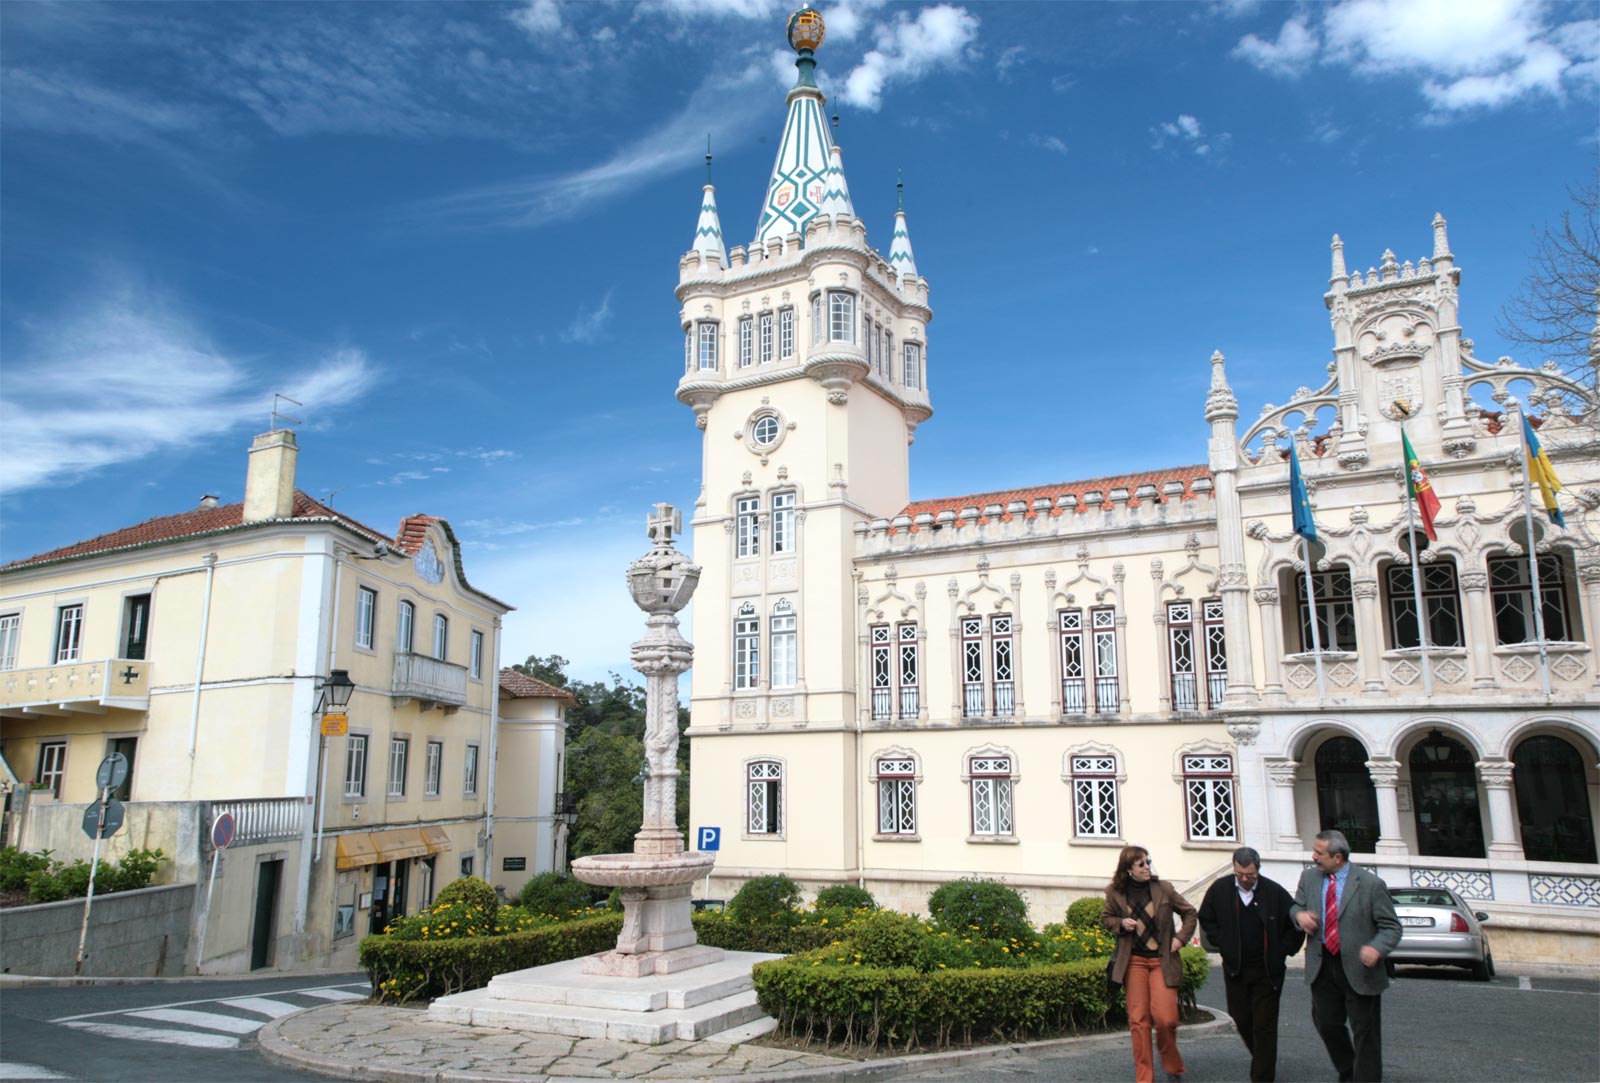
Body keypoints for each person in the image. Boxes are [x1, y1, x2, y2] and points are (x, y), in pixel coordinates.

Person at [1290, 829, 1402, 1083]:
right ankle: (1349, 1070)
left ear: (1337, 857)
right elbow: (1296, 905)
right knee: (1327, 1024)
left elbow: (1391, 927)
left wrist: (1376, 947)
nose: (1314, 856)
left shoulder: (1370, 884)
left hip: (1360, 968)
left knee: (1366, 1032)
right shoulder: (1309, 878)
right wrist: (1299, 916)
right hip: (1323, 964)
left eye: (1319, 853)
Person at [1198, 846, 1305, 1082]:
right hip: (1236, 969)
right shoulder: (1221, 889)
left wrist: (1283, 950)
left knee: (1264, 1026)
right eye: (1240, 874)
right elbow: (1206, 917)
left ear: (1258, 870)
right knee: (1242, 1018)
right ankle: (1263, 1059)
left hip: (1267, 971)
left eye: (1250, 875)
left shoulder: (1274, 892)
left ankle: (1262, 1076)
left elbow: (1294, 927)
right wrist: (1221, 941)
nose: (1245, 879)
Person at [1104, 845, 1197, 1083]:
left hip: (1161, 961)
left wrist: (1180, 939)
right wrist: (1121, 923)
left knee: (1167, 1019)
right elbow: (1107, 918)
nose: (1147, 867)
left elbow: (1189, 912)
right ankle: (1144, 1077)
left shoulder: (1163, 888)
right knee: (1139, 1020)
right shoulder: (1114, 891)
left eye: (1148, 862)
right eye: (1141, 864)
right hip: (1133, 961)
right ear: (1128, 869)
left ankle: (1172, 1065)